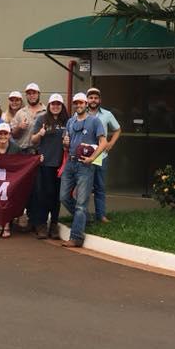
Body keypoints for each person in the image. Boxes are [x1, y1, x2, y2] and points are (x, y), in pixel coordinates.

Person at [59, 92, 105, 248]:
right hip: (70, 163)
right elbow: (67, 144)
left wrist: (92, 158)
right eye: (76, 103)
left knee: (81, 202)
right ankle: (85, 218)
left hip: (86, 165)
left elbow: (103, 142)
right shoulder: (70, 122)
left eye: (81, 103)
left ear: (86, 104)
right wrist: (65, 143)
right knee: (64, 196)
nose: (79, 105)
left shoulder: (95, 121)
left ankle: (76, 237)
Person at [29, 93, 68, 239]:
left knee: (56, 196)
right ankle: (41, 225)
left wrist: (67, 143)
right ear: (49, 105)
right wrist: (40, 133)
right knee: (43, 195)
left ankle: (54, 225)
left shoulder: (67, 121)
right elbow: (32, 140)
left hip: (60, 164)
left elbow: (70, 141)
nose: (56, 106)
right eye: (53, 104)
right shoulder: (42, 119)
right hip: (45, 163)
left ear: (61, 105)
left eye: (58, 104)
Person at [86, 87, 122, 224]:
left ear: (99, 100)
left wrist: (111, 143)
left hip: (101, 156)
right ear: (87, 100)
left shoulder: (107, 114)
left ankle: (101, 215)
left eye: (96, 98)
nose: (93, 100)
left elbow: (118, 130)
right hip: (86, 157)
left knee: (100, 186)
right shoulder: (82, 114)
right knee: (84, 187)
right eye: (91, 98)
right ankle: (83, 215)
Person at [12, 82, 45, 230]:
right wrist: (19, 127)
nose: (32, 95)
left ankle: (36, 221)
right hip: (23, 153)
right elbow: (13, 134)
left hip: (38, 154)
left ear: (39, 94)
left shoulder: (46, 111)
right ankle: (21, 217)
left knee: (38, 189)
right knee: (23, 187)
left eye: (34, 93)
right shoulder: (20, 113)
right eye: (29, 93)